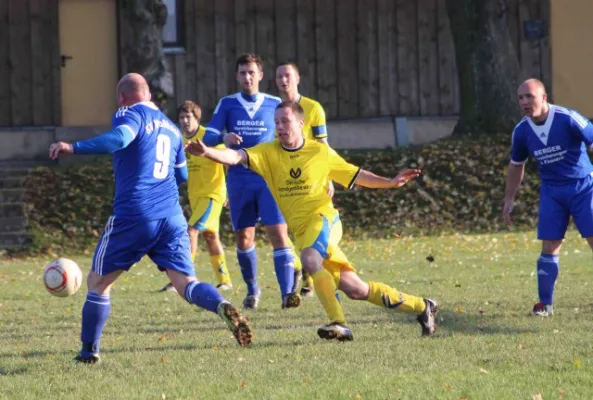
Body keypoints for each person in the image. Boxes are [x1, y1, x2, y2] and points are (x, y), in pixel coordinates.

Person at [187, 101, 438, 341]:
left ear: (300, 122)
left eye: (285, 121)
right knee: (355, 289)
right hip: (303, 230)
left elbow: (355, 174)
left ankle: (339, 323)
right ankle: (422, 306)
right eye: (276, 122)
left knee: (309, 259)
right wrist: (209, 152)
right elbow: (235, 157)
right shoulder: (268, 152)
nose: (280, 127)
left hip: (324, 219)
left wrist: (389, 182)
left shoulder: (319, 151)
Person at [48, 73, 252, 363]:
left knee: (97, 283)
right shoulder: (171, 128)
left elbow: (121, 138)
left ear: (122, 98)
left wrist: (74, 147)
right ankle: (221, 304)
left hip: (134, 215)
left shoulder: (128, 113)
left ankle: (88, 353)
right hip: (171, 216)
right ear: (150, 95)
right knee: (185, 284)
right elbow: (180, 174)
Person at [203, 53, 302, 310]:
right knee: (244, 237)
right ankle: (253, 290)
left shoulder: (274, 103)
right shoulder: (227, 104)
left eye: (251, 72)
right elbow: (210, 136)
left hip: (270, 179)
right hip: (239, 179)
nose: (247, 77)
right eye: (242, 73)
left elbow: (291, 134)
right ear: (237, 76)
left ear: (260, 75)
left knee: (278, 234)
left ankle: (287, 294)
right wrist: (224, 137)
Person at [504, 78, 593, 317]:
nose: (524, 102)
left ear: (543, 97)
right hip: (552, 193)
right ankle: (545, 305)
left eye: (529, 97)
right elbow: (516, 165)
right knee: (549, 246)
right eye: (521, 98)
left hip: (584, 188)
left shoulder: (567, 118)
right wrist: (509, 199)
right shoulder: (521, 131)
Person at [159, 100, 233, 293]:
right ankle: (225, 280)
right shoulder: (179, 140)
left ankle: (183, 278)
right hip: (196, 196)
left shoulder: (209, 137)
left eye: (188, 117)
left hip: (212, 194)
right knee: (211, 236)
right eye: (181, 117)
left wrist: (231, 191)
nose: (184, 121)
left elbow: (228, 160)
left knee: (191, 232)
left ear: (197, 118)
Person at [275, 61, 332, 298]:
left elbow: (322, 144)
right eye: (279, 76)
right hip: (283, 178)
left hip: (309, 179)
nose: (283, 80)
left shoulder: (313, 108)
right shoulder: (275, 108)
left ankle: (309, 276)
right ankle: (300, 267)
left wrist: (329, 177)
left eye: (288, 75)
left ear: (297, 78)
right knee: (282, 229)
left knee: (308, 226)